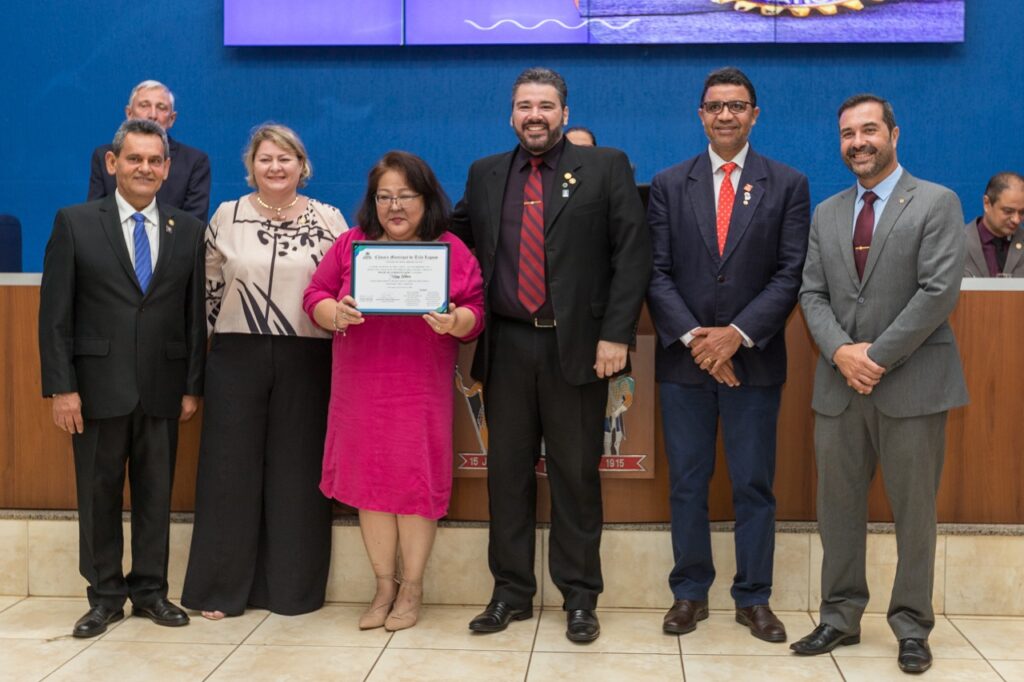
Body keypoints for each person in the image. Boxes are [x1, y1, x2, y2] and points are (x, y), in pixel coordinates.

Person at [451, 67, 651, 643]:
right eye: (523, 105)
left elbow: (631, 255)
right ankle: (510, 593)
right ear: (510, 114)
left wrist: (616, 335)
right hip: (507, 344)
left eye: (545, 105)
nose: (533, 115)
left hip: (581, 348)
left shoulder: (605, 166)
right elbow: (453, 240)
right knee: (505, 475)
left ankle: (581, 597)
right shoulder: (487, 174)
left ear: (563, 111)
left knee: (576, 476)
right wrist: (385, 252)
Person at [793, 94, 968, 674]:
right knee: (836, 509)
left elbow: (938, 291)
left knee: (914, 512)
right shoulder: (827, 212)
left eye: (869, 130)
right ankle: (839, 617)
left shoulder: (938, 202)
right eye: (847, 133)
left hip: (913, 385)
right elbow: (810, 293)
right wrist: (843, 352)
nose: (858, 141)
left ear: (895, 134)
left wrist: (877, 357)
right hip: (839, 386)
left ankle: (912, 626)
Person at [646, 66, 810, 642]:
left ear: (754, 115)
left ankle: (753, 597)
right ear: (700, 114)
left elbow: (790, 274)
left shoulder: (787, 184)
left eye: (737, 106)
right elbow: (657, 273)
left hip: (754, 363)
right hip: (684, 365)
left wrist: (734, 335)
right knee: (687, 483)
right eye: (715, 106)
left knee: (753, 485)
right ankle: (689, 593)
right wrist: (699, 340)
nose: (725, 115)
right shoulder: (669, 183)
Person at [303, 151, 484, 632]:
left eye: (406, 195)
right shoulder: (350, 245)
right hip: (359, 389)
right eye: (385, 196)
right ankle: (384, 585)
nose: (395, 206)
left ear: (427, 199)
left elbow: (475, 312)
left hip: (418, 389)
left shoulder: (450, 249)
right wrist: (333, 313)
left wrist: (454, 321)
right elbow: (314, 296)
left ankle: (412, 588)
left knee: (414, 487)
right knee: (370, 488)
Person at [39, 119, 205, 637]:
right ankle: (105, 596)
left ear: (167, 168)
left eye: (155, 161)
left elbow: (192, 314)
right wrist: (61, 387)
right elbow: (54, 315)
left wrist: (191, 385)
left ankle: (151, 591)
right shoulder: (75, 222)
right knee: (98, 494)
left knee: (157, 494)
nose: (145, 169)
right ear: (113, 164)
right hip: (94, 391)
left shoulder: (188, 229)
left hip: (162, 388)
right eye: (135, 159)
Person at [181, 124, 347, 619]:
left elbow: (344, 283)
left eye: (286, 158)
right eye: (265, 159)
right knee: (228, 472)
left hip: (308, 356)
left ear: (303, 165)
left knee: (297, 473)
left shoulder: (330, 218)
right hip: (235, 354)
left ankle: (291, 591)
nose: (275, 167)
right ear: (250, 166)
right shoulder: (226, 215)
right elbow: (207, 288)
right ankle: (220, 590)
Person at [89, 80, 211, 222]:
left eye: (161, 107)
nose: (152, 115)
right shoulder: (105, 155)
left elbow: (193, 227)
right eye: (144, 105)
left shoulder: (194, 161)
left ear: (172, 119)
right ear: (129, 113)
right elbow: (95, 216)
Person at [963, 171, 1024, 277]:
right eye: (1008, 211)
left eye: (1022, 212)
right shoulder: (956, 244)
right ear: (986, 203)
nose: (1016, 220)